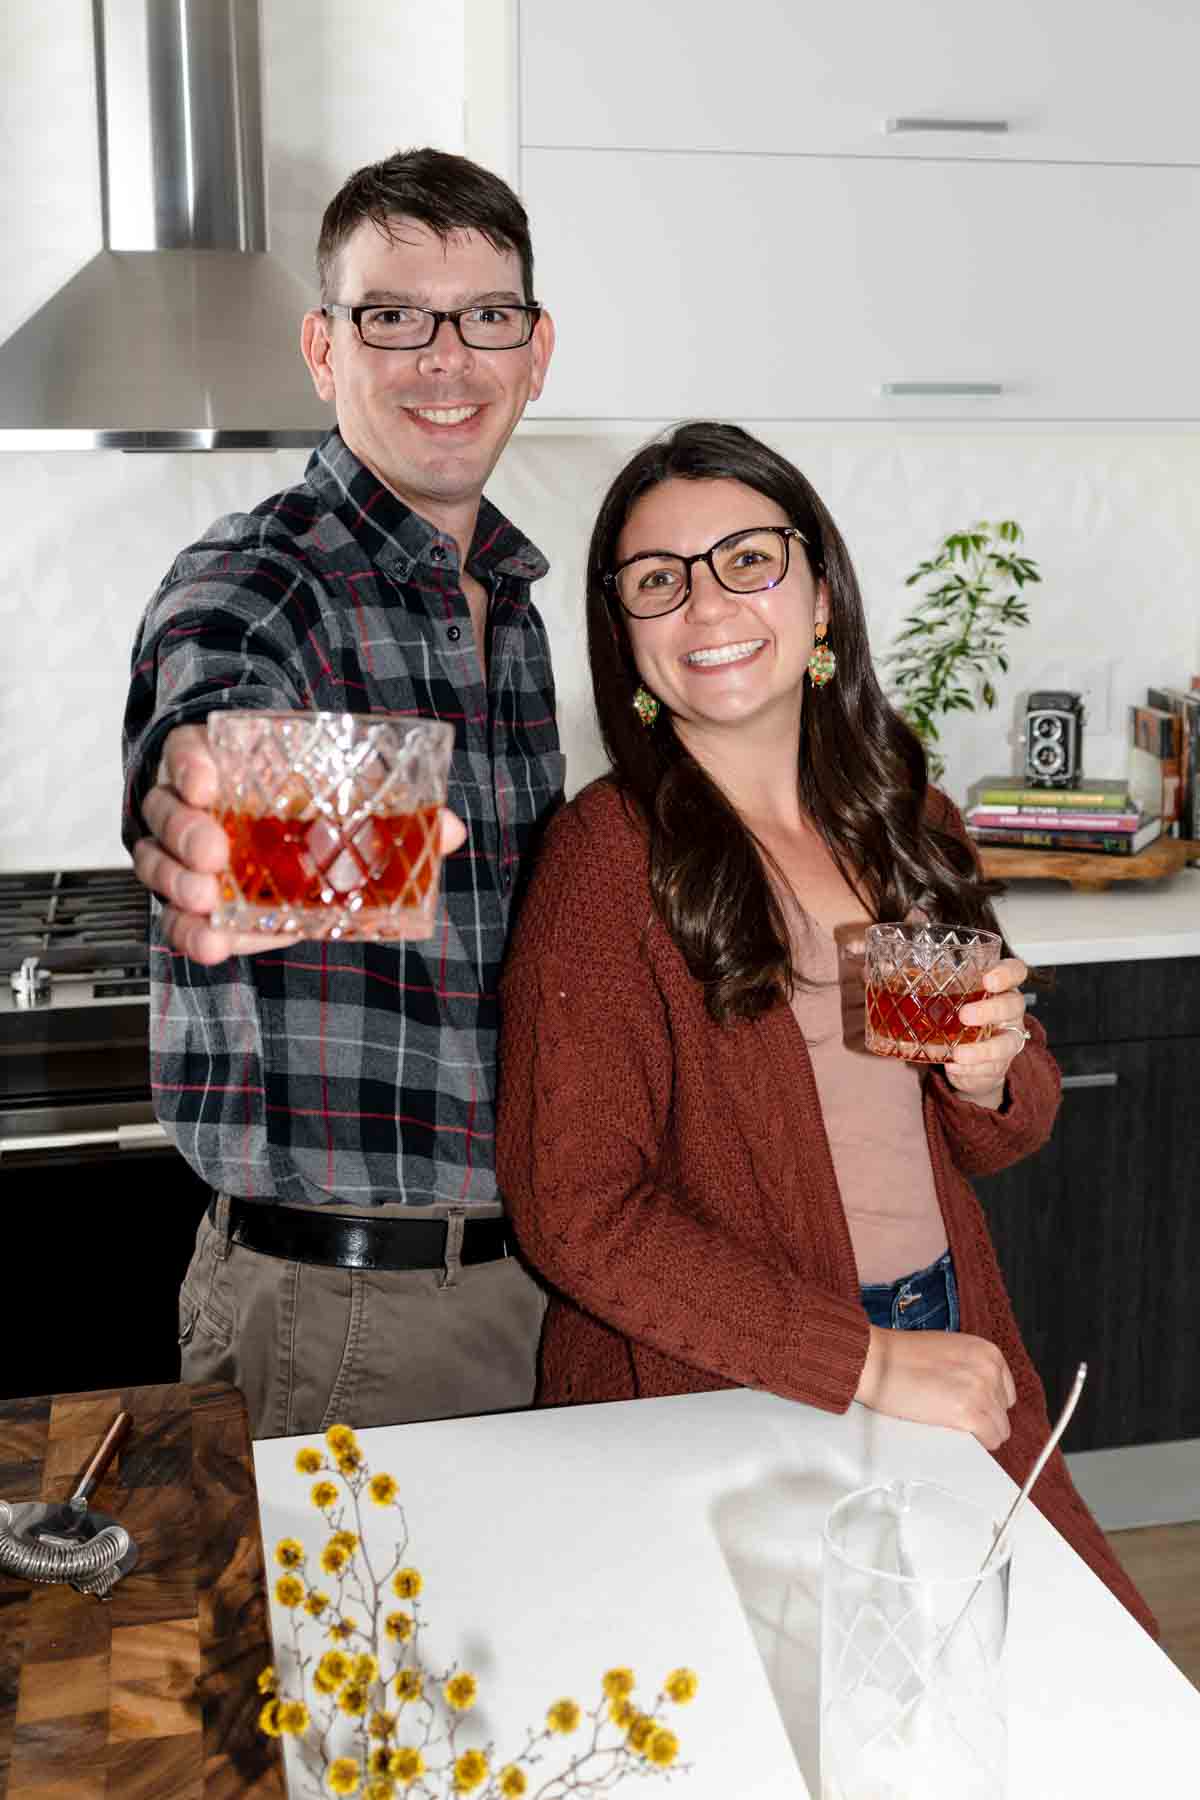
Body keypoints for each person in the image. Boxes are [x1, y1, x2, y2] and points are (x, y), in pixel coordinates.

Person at [496, 420, 1155, 1634]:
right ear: (628, 641)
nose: (706, 603)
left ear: (820, 600)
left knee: (1036, 1657)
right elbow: (574, 1212)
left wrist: (987, 1077)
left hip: (943, 1319)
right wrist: (864, 1365)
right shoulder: (606, 858)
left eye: (748, 558)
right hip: (724, 1372)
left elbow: (1004, 1123)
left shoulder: (902, 814)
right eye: (659, 581)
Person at [122, 147, 560, 1440]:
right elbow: (204, 757)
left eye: (486, 317)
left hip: (531, 1278)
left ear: (535, 352)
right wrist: (205, 832)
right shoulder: (256, 585)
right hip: (352, 1312)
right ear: (325, 349)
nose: (445, 360)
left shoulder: (517, 600)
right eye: (393, 319)